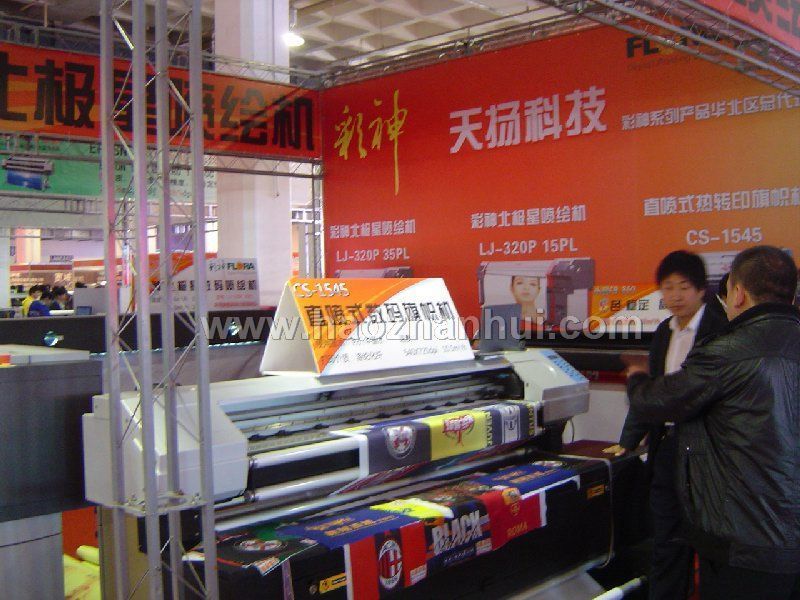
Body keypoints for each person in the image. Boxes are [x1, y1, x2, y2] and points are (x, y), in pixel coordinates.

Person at [625, 246, 800, 600]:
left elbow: (658, 399)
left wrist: (637, 379)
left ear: (738, 293)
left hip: (745, 534)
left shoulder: (727, 349)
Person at [606, 250, 727, 600]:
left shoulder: (720, 330)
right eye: (668, 287)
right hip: (668, 445)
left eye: (684, 287)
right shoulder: (664, 331)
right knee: (666, 537)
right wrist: (628, 441)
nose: (675, 296)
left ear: (701, 289)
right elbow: (653, 393)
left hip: (707, 450)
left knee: (709, 539)